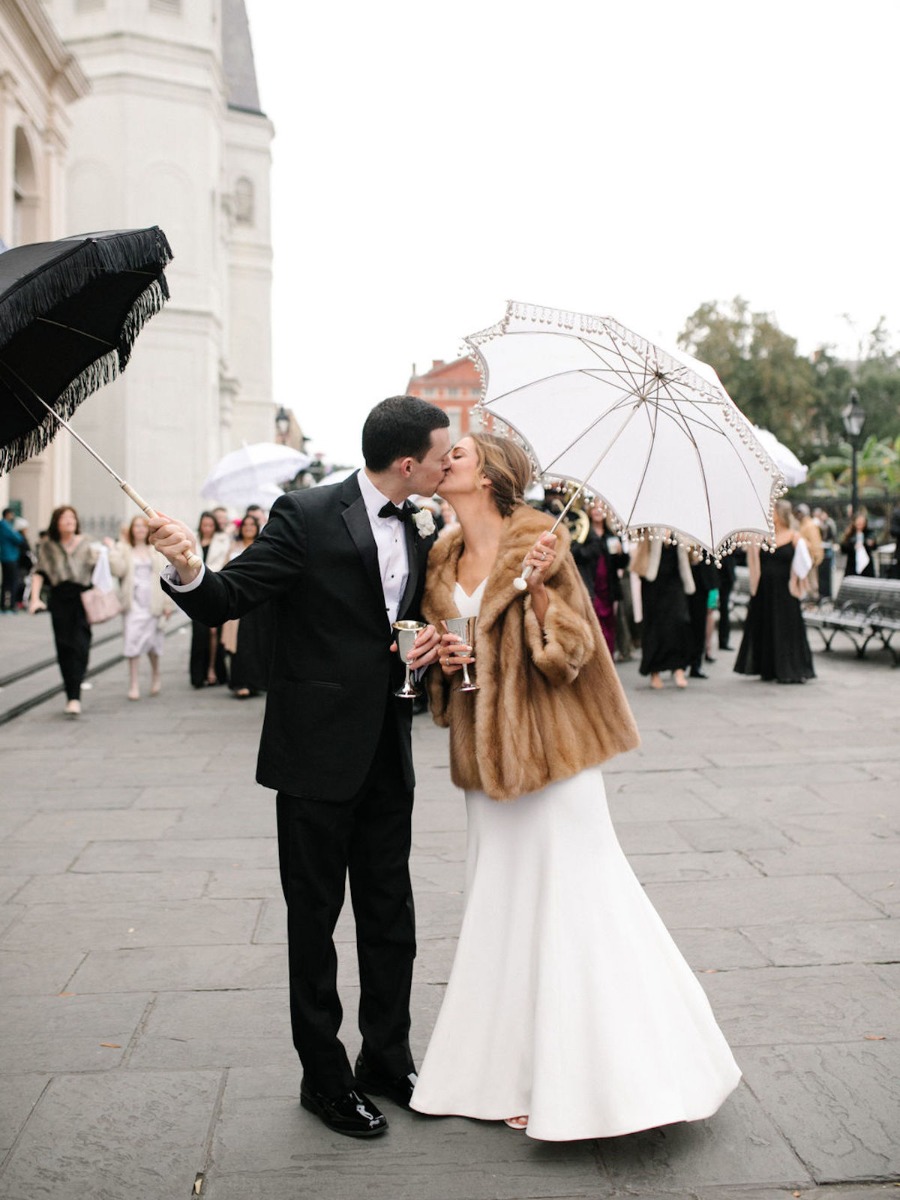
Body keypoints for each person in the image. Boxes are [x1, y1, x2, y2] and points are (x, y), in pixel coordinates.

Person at [409, 433, 741, 1140]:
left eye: (460, 453)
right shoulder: (439, 555)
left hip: (554, 758)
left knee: (577, 902)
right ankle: (505, 1073)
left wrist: (535, 601)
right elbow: (445, 678)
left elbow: (571, 657)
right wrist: (442, 655)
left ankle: (599, 1078)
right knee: (498, 908)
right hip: (484, 763)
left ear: (492, 475)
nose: (446, 459)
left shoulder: (540, 540)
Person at [148, 395, 450, 1139]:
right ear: (408, 462)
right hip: (314, 755)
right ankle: (325, 1079)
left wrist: (417, 648)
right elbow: (229, 596)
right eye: (445, 454)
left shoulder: (416, 524)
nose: (451, 464)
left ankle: (388, 1056)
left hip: (389, 748)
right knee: (314, 922)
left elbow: (390, 623)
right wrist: (188, 565)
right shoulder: (305, 514)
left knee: (392, 915)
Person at [28, 505, 101, 716]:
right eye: (65, 518)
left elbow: (100, 569)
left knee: (82, 646)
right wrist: (35, 599)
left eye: (72, 517)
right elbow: (39, 572)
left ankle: (76, 684)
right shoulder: (48, 546)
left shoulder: (87, 543)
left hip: (82, 597)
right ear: (56, 522)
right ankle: (73, 696)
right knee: (64, 647)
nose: (70, 521)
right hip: (60, 598)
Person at [734, 499, 816, 684]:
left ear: (781, 515)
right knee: (767, 625)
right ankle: (768, 667)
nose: (770, 515)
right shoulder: (762, 537)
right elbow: (748, 551)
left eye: (773, 513)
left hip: (786, 590)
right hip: (764, 589)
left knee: (786, 627)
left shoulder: (794, 537)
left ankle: (789, 668)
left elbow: (807, 559)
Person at [108, 515, 174, 700]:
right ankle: (134, 683)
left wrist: (168, 604)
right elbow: (117, 570)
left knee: (154, 644)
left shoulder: (156, 550)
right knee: (132, 642)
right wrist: (115, 548)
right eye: (136, 526)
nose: (139, 529)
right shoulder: (125, 549)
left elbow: (165, 577)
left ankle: (155, 675)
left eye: (143, 526)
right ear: (131, 529)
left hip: (153, 601)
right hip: (133, 602)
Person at [630, 536, 695, 689]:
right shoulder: (650, 525)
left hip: (675, 580)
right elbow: (639, 545)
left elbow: (690, 556)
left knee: (679, 621)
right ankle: (655, 671)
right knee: (654, 626)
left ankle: (679, 669)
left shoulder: (679, 526)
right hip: (652, 582)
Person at [220, 514, 273, 698]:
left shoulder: (263, 547)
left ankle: (257, 681)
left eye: (252, 524)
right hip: (240, 599)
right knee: (240, 642)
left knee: (257, 640)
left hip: (259, 601)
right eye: (246, 524)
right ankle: (240, 682)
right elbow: (224, 570)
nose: (249, 527)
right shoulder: (233, 547)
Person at [571, 502, 630, 658]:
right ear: (589, 510)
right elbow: (574, 553)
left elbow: (623, 564)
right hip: (590, 587)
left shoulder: (611, 535)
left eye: (601, 508)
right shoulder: (583, 532)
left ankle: (608, 661)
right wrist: (590, 549)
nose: (598, 511)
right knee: (592, 626)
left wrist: (620, 554)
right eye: (594, 507)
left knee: (608, 626)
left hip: (608, 589)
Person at [189, 512, 232, 688]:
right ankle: (199, 674)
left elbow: (225, 563)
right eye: (204, 525)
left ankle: (214, 669)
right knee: (199, 634)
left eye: (210, 525)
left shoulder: (223, 540)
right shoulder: (193, 539)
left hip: (215, 585)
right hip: (196, 589)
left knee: (215, 632)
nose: (207, 528)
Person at [0, 507, 25, 612]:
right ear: (8, 514)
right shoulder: (5, 525)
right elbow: (18, 538)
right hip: (10, 557)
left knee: (6, 582)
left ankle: (4, 605)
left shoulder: (3, 525)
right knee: (13, 581)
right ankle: (11, 605)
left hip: (5, 556)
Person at [840, 511, 877, 578]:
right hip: (852, 566)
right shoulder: (850, 534)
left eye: (862, 523)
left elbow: (874, 546)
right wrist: (853, 546)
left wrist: (868, 543)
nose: (860, 525)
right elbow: (843, 548)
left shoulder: (869, 533)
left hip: (866, 567)